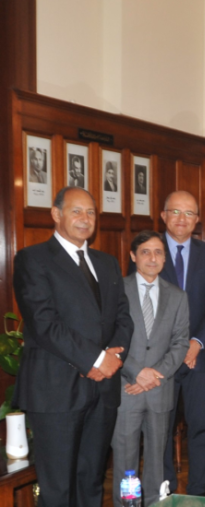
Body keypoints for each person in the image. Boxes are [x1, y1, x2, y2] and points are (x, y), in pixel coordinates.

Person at [12, 186, 133, 507]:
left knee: (91, 481)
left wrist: (112, 358)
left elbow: (123, 316)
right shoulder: (32, 259)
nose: (85, 218)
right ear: (56, 214)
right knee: (57, 489)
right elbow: (44, 323)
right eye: (76, 211)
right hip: (56, 390)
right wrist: (95, 359)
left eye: (91, 212)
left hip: (103, 391)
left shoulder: (107, 263)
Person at [153, 191, 205, 497]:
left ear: (197, 220)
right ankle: (165, 488)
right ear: (163, 215)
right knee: (162, 428)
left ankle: (199, 489)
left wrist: (196, 342)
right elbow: (137, 304)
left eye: (189, 213)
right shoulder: (148, 250)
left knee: (200, 427)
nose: (181, 219)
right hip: (161, 358)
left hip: (202, 356)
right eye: (175, 211)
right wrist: (174, 349)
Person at [113, 231, 190, 507]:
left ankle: (155, 503)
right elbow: (108, 339)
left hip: (160, 389)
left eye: (158, 252)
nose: (152, 258)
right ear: (133, 256)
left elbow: (181, 342)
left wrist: (155, 374)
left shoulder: (177, 296)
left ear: (165, 258)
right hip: (127, 389)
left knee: (157, 460)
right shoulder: (116, 290)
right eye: (145, 252)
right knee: (125, 459)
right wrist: (136, 372)